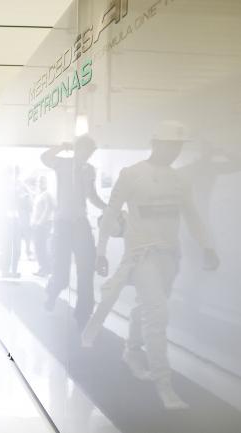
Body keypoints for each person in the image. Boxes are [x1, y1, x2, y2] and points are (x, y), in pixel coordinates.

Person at [85, 120, 219, 409]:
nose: (174, 150)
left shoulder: (179, 179)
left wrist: (207, 246)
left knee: (147, 307)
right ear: (156, 143)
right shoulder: (132, 174)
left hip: (170, 257)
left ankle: (132, 351)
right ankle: (164, 384)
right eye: (170, 144)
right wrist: (101, 252)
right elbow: (111, 213)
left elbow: (192, 215)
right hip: (141, 256)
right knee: (157, 314)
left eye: (178, 146)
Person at [41, 136, 106, 329]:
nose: (88, 155)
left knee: (86, 270)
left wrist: (107, 208)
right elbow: (44, 157)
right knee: (61, 274)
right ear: (78, 149)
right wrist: (62, 146)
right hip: (63, 224)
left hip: (80, 223)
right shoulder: (62, 163)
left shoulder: (89, 170)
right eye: (85, 151)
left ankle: (83, 315)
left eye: (90, 152)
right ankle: (52, 292)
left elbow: (91, 195)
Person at [31, 175, 54, 276]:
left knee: (42, 247)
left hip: (43, 225)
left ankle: (45, 269)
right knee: (38, 247)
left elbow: (50, 208)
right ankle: (43, 268)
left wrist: (40, 222)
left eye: (42, 181)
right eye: (39, 181)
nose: (40, 183)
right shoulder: (39, 195)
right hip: (38, 225)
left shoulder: (47, 194)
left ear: (46, 183)